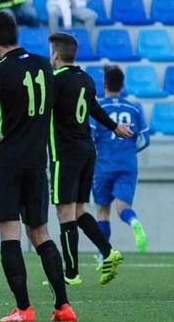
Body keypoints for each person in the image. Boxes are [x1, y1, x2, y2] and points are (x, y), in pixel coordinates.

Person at [0, 12, 75, 322]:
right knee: (40, 232)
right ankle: (63, 306)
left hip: (6, 164)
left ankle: (24, 309)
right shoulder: (44, 64)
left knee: (9, 232)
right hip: (36, 161)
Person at [47, 33, 131, 285]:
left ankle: (71, 274)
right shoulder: (86, 78)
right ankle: (108, 251)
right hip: (86, 151)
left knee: (64, 212)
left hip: (65, 152)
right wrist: (114, 126)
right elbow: (94, 108)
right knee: (79, 210)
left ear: (56, 55)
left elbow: (41, 113)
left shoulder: (55, 81)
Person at [93, 65, 151, 253]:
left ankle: (104, 256)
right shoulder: (133, 108)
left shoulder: (99, 108)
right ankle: (133, 221)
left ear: (104, 85)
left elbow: (91, 138)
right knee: (122, 207)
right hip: (127, 164)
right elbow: (145, 139)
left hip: (104, 165)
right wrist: (129, 152)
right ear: (122, 85)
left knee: (102, 211)